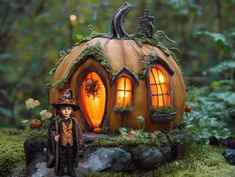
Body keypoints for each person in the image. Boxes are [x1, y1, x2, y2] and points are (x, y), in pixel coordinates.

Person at [47, 89, 83, 177]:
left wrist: (80, 141)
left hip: (71, 144)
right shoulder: (57, 121)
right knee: (61, 157)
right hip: (61, 144)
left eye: (68, 109)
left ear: (71, 111)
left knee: (70, 157)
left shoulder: (74, 121)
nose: (66, 111)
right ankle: (61, 169)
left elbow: (78, 133)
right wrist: (54, 136)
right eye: (64, 109)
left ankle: (71, 169)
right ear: (60, 110)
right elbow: (51, 130)